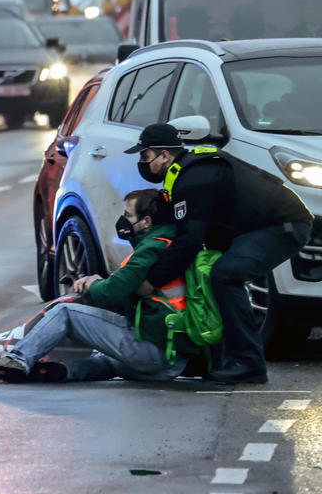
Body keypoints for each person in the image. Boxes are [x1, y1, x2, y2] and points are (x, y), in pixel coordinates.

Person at [126, 123, 312, 383]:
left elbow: (189, 241)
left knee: (225, 275)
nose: (143, 163)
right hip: (250, 228)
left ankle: (250, 364)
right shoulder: (186, 173)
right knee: (208, 274)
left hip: (283, 226)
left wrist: (152, 281)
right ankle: (214, 357)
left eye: (145, 156)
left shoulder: (194, 177)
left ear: (164, 155)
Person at [0, 189, 192, 383]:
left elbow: (110, 293)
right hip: (171, 364)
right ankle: (63, 372)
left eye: (128, 215)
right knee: (106, 360)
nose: (123, 220)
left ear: (146, 222)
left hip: (152, 352)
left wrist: (92, 283)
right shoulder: (170, 242)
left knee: (65, 312)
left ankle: (18, 360)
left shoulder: (151, 248)